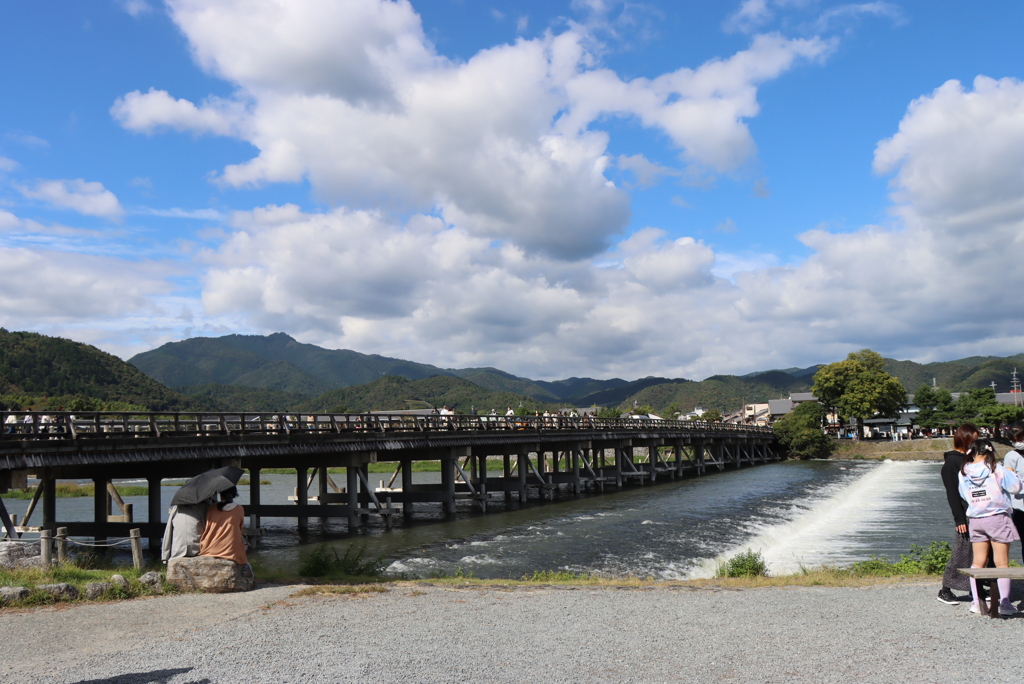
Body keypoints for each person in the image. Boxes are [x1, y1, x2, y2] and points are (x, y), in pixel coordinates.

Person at [958, 439, 1022, 616]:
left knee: (977, 563)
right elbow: (1015, 487)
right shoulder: (996, 468)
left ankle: (977, 603)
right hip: (997, 517)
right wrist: (1012, 474)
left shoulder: (963, 471)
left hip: (976, 519)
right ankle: (1005, 603)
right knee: (1002, 563)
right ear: (990, 450)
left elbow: (963, 494)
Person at [937, 423, 979, 605]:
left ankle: (974, 586)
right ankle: (945, 590)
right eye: (973, 441)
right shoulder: (952, 462)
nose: (975, 445)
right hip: (965, 514)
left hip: (976, 510)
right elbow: (952, 493)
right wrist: (959, 518)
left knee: (977, 551)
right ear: (965, 439)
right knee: (962, 551)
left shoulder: (968, 459)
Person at [199, 486, 247, 565]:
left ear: (221, 495)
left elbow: (208, 525)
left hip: (210, 548)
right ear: (234, 495)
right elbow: (240, 527)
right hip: (231, 550)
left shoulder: (212, 508)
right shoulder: (239, 508)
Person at [1002, 423, 1024, 564]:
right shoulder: (1011, 456)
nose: (1017, 443)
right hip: (1020, 506)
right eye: (1014, 440)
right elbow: (1009, 482)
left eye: (1020, 439)